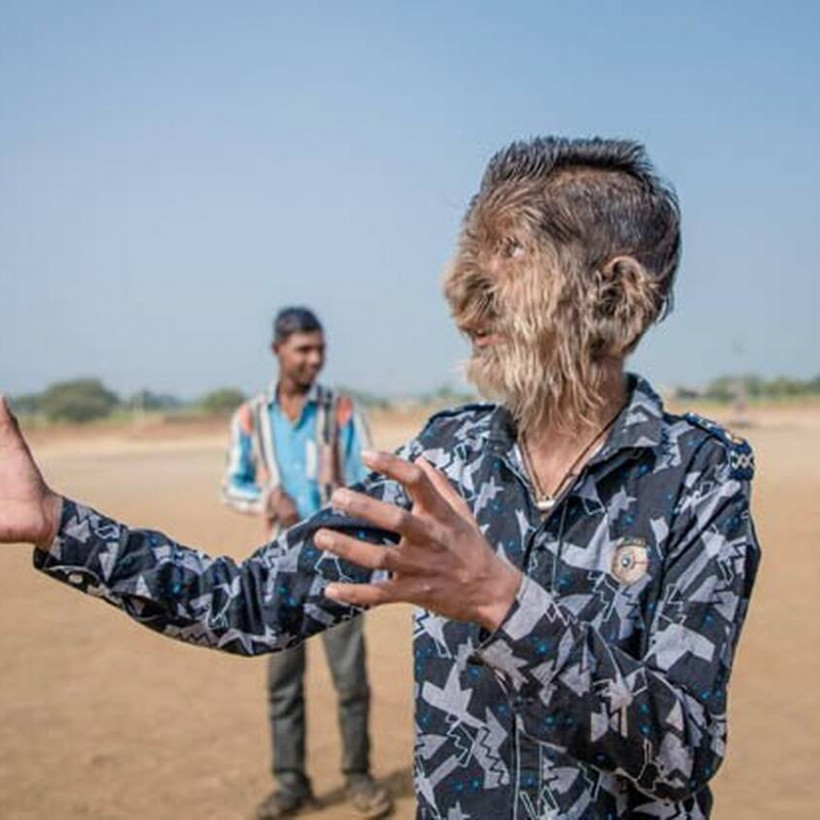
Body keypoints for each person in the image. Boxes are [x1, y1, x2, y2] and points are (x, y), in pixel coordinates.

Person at [0, 137, 760, 819]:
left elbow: (682, 752)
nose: (465, 304)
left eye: (513, 251)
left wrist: (500, 600)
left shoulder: (698, 477)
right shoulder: (444, 460)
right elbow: (249, 604)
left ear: (615, 294)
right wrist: (57, 522)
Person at [220, 306, 392, 819]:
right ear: (278, 351)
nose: (314, 359)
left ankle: (358, 777)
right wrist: (265, 499)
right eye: (304, 350)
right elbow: (231, 483)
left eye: (320, 349)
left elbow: (371, 478)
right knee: (283, 682)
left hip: (338, 566)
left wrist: (337, 505)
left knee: (350, 681)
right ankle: (291, 784)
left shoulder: (341, 412)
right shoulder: (251, 417)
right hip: (276, 571)